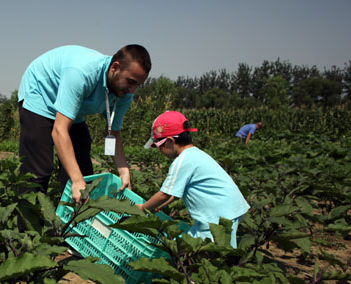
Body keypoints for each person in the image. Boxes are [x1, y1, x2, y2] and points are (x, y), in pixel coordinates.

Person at [17, 44, 151, 203]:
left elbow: (113, 133)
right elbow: (59, 130)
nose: (133, 90)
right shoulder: (82, 73)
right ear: (115, 67)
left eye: (138, 85)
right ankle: (27, 225)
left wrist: (124, 171)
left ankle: (70, 222)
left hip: (73, 111)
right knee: (38, 170)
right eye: (131, 81)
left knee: (84, 173)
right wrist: (76, 180)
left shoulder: (124, 94)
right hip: (42, 95)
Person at [138, 111, 250, 248]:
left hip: (217, 217)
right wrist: (159, 206)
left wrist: (143, 208)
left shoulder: (183, 161)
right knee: (192, 244)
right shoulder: (195, 154)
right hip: (230, 208)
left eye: (158, 146)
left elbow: (164, 194)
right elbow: (174, 194)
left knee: (208, 253)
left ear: (169, 142)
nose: (159, 151)